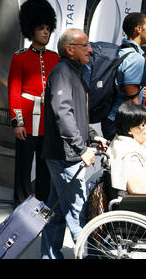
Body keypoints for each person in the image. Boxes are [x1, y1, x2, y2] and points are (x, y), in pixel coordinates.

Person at [40, 28, 107, 259]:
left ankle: (49, 256)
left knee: (56, 211)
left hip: (65, 153)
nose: (90, 49)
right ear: (70, 49)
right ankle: (89, 256)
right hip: (65, 155)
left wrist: (91, 135)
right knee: (77, 213)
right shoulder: (62, 72)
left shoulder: (73, 72)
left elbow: (76, 115)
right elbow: (62, 113)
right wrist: (81, 148)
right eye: (85, 45)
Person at [8, 0, 60, 205]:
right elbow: (14, 91)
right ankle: (20, 202)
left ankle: (42, 201)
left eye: (48, 28)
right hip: (27, 120)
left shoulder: (55, 58)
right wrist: (17, 122)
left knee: (45, 166)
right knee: (23, 165)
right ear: (32, 30)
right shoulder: (20, 58)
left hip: (47, 121)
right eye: (41, 28)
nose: (46, 32)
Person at [102, 12, 146, 141]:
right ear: (138, 29)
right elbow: (132, 101)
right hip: (123, 123)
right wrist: (140, 126)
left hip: (111, 119)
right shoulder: (135, 58)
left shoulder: (120, 52)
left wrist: (140, 92)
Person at [108, 102, 146, 195]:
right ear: (130, 130)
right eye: (144, 124)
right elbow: (140, 190)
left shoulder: (128, 143)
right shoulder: (130, 155)